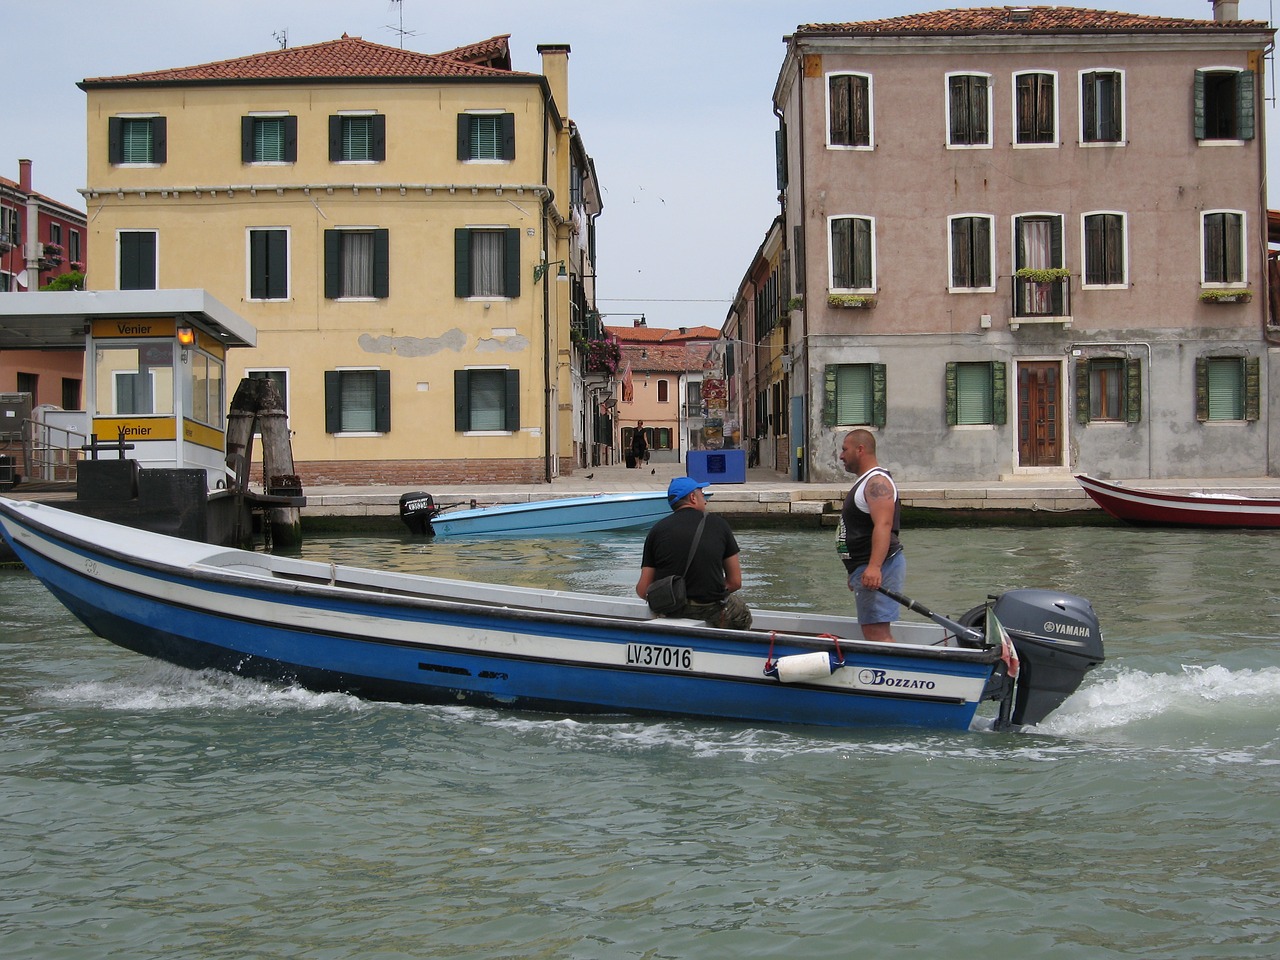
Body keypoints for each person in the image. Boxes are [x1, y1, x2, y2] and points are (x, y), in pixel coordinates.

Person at [636, 476, 753, 629]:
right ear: (692, 497)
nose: (705, 501)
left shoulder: (656, 530)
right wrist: (709, 591)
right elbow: (735, 582)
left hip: (671, 609)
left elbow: (643, 589)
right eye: (702, 494)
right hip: (709, 608)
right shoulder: (719, 525)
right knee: (742, 615)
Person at [836, 429, 904, 642]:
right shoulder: (866, 482)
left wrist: (874, 567)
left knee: (876, 632)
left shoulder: (877, 482)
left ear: (860, 449)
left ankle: (892, 674)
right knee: (872, 629)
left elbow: (884, 524)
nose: (841, 456)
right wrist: (854, 569)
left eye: (844, 449)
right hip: (864, 566)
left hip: (879, 566)